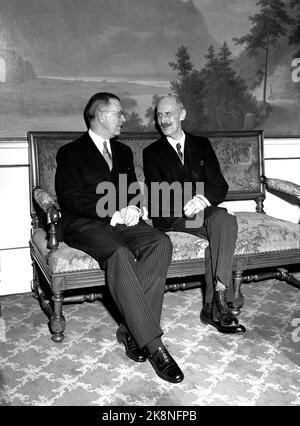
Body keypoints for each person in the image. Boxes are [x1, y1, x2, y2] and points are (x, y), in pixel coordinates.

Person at [55, 92, 184, 384]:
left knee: (159, 242)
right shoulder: (70, 152)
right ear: (101, 116)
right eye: (119, 113)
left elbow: (129, 191)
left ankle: (129, 329)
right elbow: (71, 198)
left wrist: (132, 208)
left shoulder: (123, 152)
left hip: (119, 220)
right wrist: (113, 211)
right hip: (85, 224)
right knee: (120, 254)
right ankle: (154, 346)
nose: (124, 119)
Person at [143, 95, 246, 334]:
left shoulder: (202, 145)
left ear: (182, 114)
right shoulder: (152, 152)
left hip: (204, 211)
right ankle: (217, 306)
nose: (162, 120)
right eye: (159, 115)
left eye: (168, 114)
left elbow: (220, 185)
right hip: (172, 217)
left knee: (225, 220)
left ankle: (217, 299)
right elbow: (159, 194)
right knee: (220, 229)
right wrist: (189, 201)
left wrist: (203, 199)